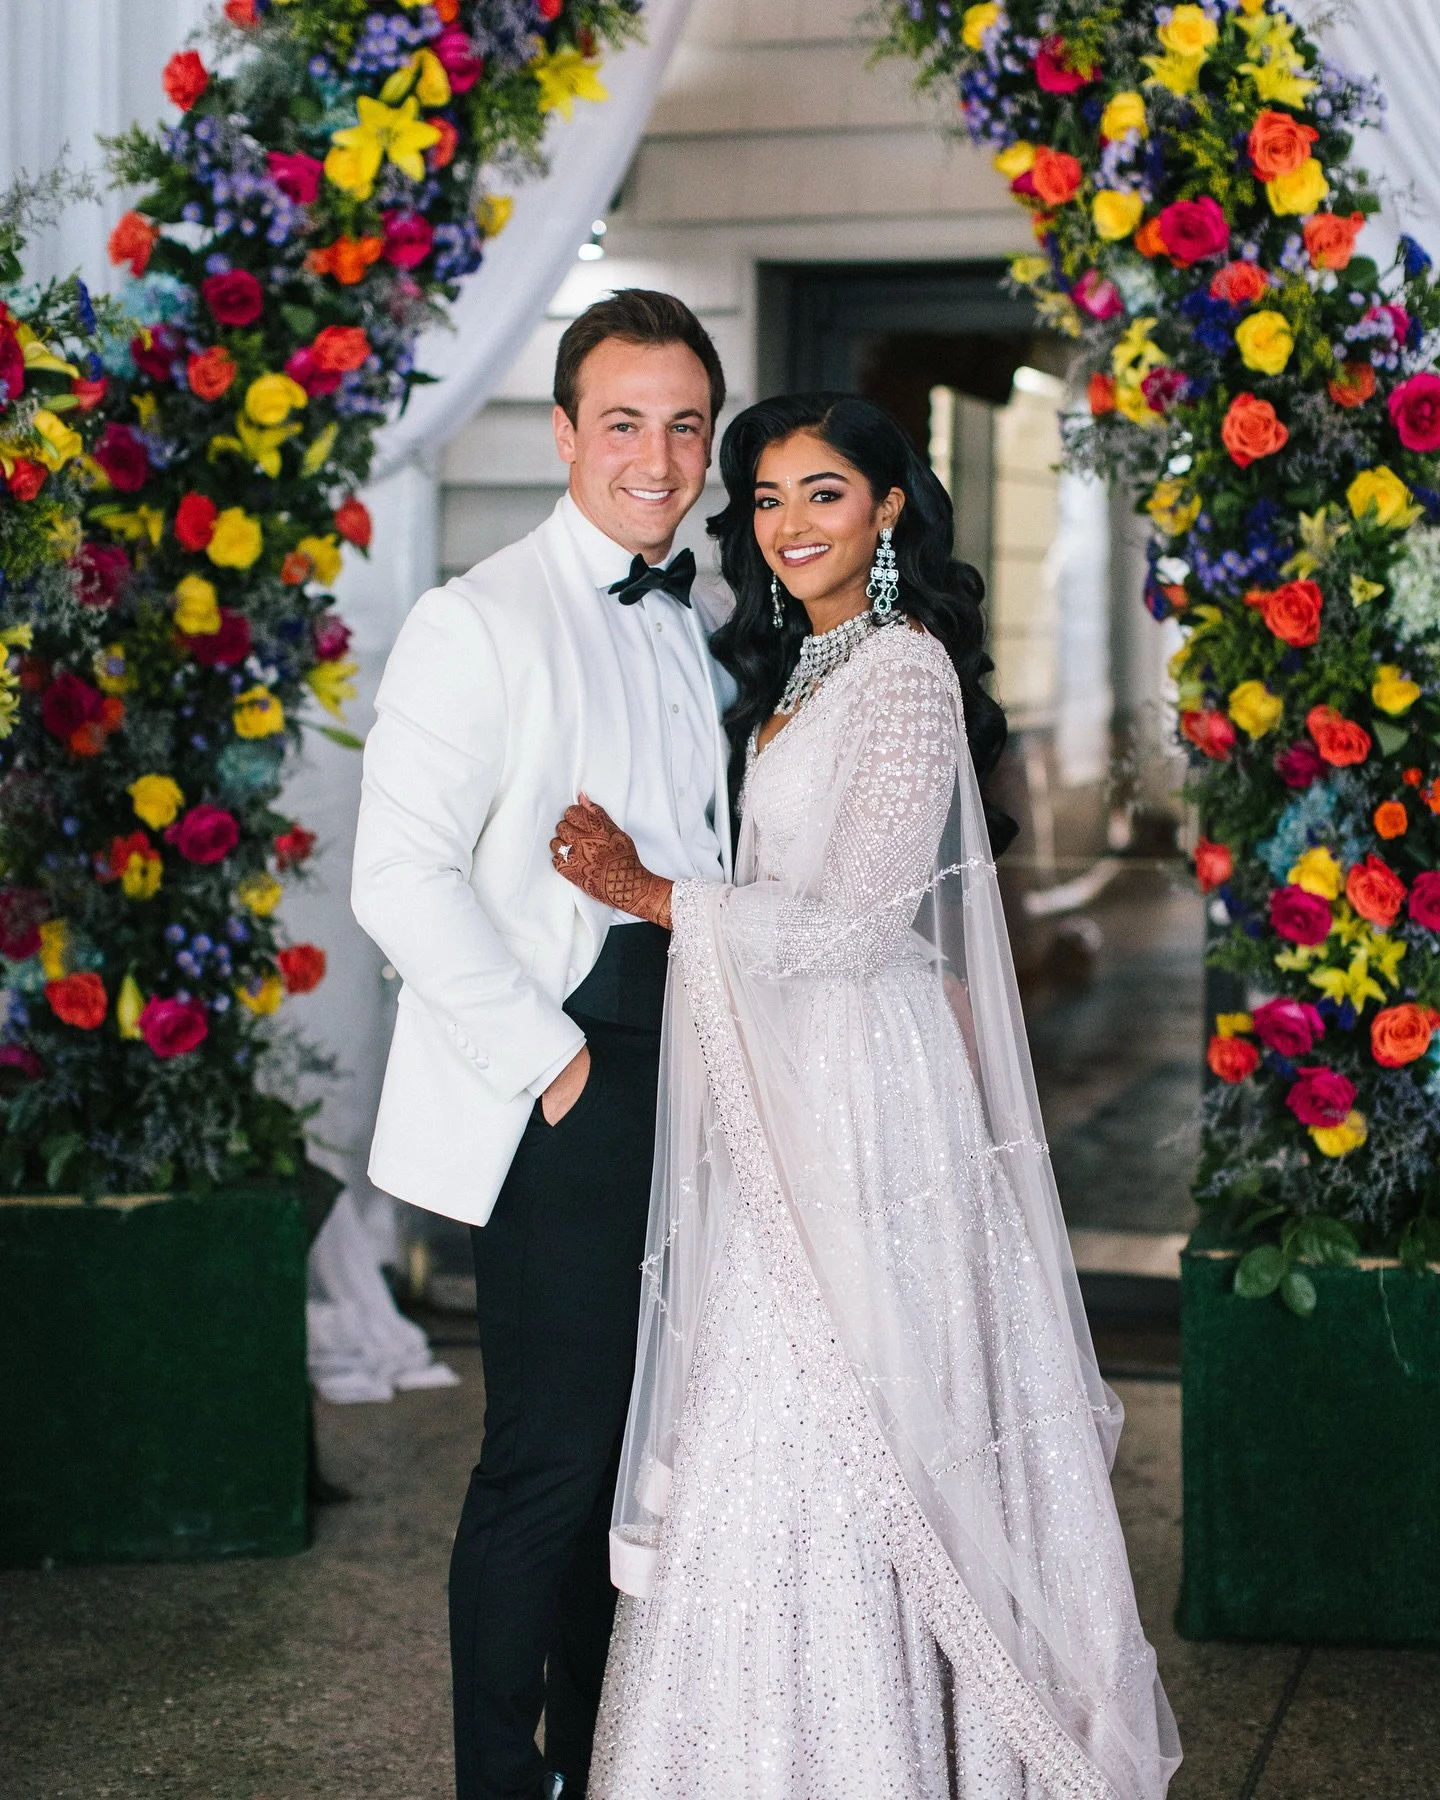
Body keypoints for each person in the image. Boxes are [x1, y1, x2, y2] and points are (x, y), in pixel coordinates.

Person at [550, 394, 1182, 1799]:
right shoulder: (801, 669)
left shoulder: (900, 671)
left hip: (862, 1098)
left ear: (889, 508)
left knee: (843, 1402)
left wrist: (650, 893)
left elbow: (850, 923)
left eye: (824, 493)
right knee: (771, 1405)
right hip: (791, 1076)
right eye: (769, 498)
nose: (790, 526)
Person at [350, 290, 733, 1800]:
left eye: (685, 425)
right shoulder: (478, 618)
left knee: (635, 1468)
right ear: (565, 433)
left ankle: (597, 1766)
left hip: (694, 1065)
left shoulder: (694, 623)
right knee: (550, 1464)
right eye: (623, 422)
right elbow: (397, 877)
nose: (658, 457)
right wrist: (553, 1064)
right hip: (562, 1084)